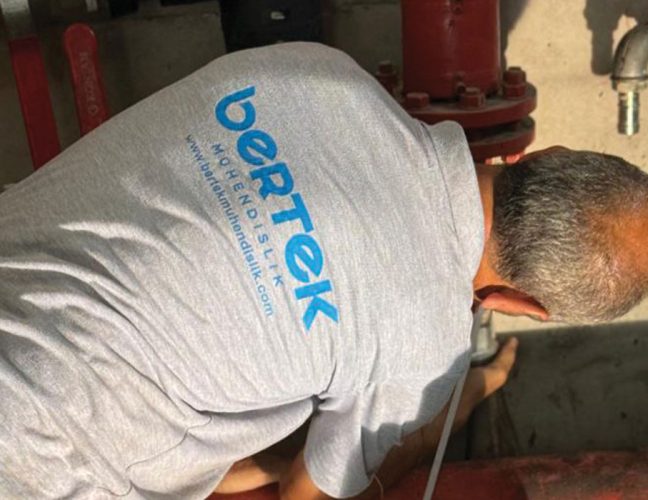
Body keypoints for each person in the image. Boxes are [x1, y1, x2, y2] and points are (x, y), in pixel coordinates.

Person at [0, 42, 646, 500]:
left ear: (544, 153)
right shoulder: (422, 347)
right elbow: (306, 494)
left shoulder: (324, 69)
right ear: (523, 305)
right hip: (39, 459)